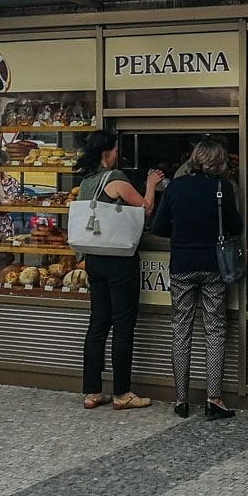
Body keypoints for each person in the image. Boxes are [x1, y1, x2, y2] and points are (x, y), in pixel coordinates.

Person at [151, 140, 242, 420]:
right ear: (218, 161)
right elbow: (235, 226)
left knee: (181, 329)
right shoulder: (222, 187)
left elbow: (158, 227)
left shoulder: (175, 187)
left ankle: (181, 399)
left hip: (181, 265)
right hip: (214, 266)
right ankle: (214, 399)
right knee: (214, 329)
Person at [75, 129, 163, 411]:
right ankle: (122, 392)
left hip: (94, 258)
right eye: (115, 150)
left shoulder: (86, 181)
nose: (117, 155)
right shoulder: (114, 179)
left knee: (98, 323)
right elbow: (145, 209)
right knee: (123, 325)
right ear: (106, 152)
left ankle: (92, 391)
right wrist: (151, 183)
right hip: (118, 260)